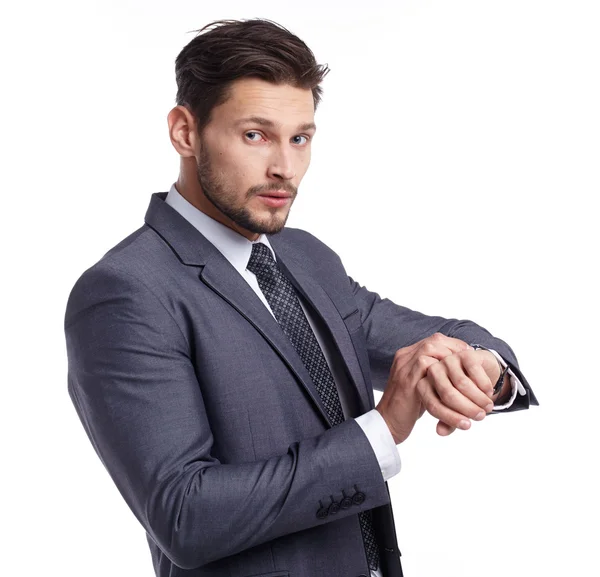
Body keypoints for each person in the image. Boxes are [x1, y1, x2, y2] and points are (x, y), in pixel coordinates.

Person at [64, 18, 538, 577]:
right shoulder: (126, 292)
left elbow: (425, 335)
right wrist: (382, 430)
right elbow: (185, 516)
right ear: (185, 132)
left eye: (301, 138)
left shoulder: (302, 255)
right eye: (255, 135)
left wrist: (480, 368)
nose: (285, 169)